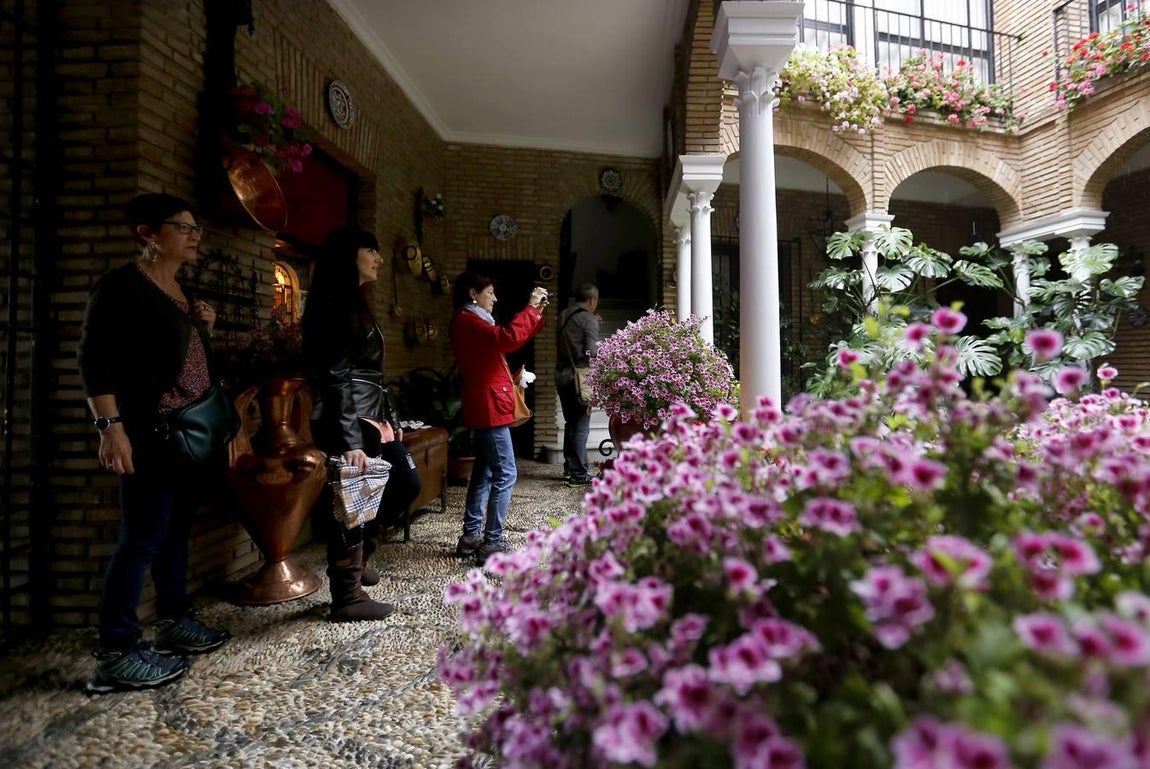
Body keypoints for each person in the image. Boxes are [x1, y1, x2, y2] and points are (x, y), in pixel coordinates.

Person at [77, 193, 230, 693]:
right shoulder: (122, 286)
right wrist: (111, 428)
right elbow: (94, 360)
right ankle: (117, 651)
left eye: (195, 228)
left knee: (174, 531)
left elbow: (185, 360)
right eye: (182, 227)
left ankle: (172, 619)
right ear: (147, 233)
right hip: (148, 431)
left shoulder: (177, 291)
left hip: (184, 434)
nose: (193, 236)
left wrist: (202, 327)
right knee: (141, 538)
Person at [302, 226, 422, 622]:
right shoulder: (333, 306)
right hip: (346, 420)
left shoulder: (353, 303)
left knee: (404, 483)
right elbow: (336, 378)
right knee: (351, 503)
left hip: (368, 416)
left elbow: (367, 374)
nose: (380, 257)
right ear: (348, 255)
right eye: (371, 249)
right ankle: (347, 594)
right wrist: (349, 438)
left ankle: (360, 556)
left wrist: (390, 419)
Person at [449, 272, 547, 565]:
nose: (494, 298)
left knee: (484, 471)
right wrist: (529, 308)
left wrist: (535, 313)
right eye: (490, 292)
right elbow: (508, 339)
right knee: (506, 472)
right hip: (488, 407)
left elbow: (509, 341)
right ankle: (492, 542)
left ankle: (470, 537)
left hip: (486, 404)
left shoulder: (472, 321)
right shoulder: (468, 322)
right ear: (473, 294)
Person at [555, 283, 600, 487]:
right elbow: (592, 351)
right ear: (592, 300)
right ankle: (579, 474)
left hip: (562, 376)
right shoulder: (589, 318)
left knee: (570, 424)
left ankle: (569, 468)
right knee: (581, 426)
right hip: (580, 380)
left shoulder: (563, 315)